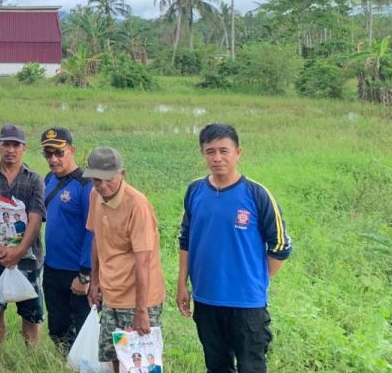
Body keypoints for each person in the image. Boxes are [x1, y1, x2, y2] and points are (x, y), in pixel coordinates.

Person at [178, 124, 292, 373]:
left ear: (237, 152)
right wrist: (181, 284)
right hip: (206, 298)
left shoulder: (257, 194)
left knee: (251, 366)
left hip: (247, 304)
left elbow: (280, 246)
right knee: (216, 366)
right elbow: (185, 238)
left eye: (224, 150)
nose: (217, 158)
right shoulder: (195, 190)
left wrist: (257, 278)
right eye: (210, 151)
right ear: (202, 153)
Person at [84, 147, 166, 373]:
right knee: (115, 354)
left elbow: (143, 261)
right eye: (96, 179)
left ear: (122, 174)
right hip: (112, 293)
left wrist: (141, 310)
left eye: (108, 179)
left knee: (140, 361)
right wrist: (95, 280)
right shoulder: (95, 196)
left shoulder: (137, 204)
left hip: (139, 297)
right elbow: (97, 239)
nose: (102, 185)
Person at [0, 124, 46, 345]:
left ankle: (31, 359)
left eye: (16, 145)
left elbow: (36, 217)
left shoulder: (34, 179)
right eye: (6, 144)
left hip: (28, 258)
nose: (10, 150)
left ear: (24, 148)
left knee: (31, 313)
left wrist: (19, 251)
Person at [39, 127, 94, 347]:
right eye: (48, 154)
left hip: (76, 271)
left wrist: (85, 275)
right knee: (57, 328)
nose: (53, 159)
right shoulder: (48, 179)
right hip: (52, 267)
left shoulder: (86, 184)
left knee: (81, 329)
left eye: (59, 153)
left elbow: (93, 231)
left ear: (71, 150)